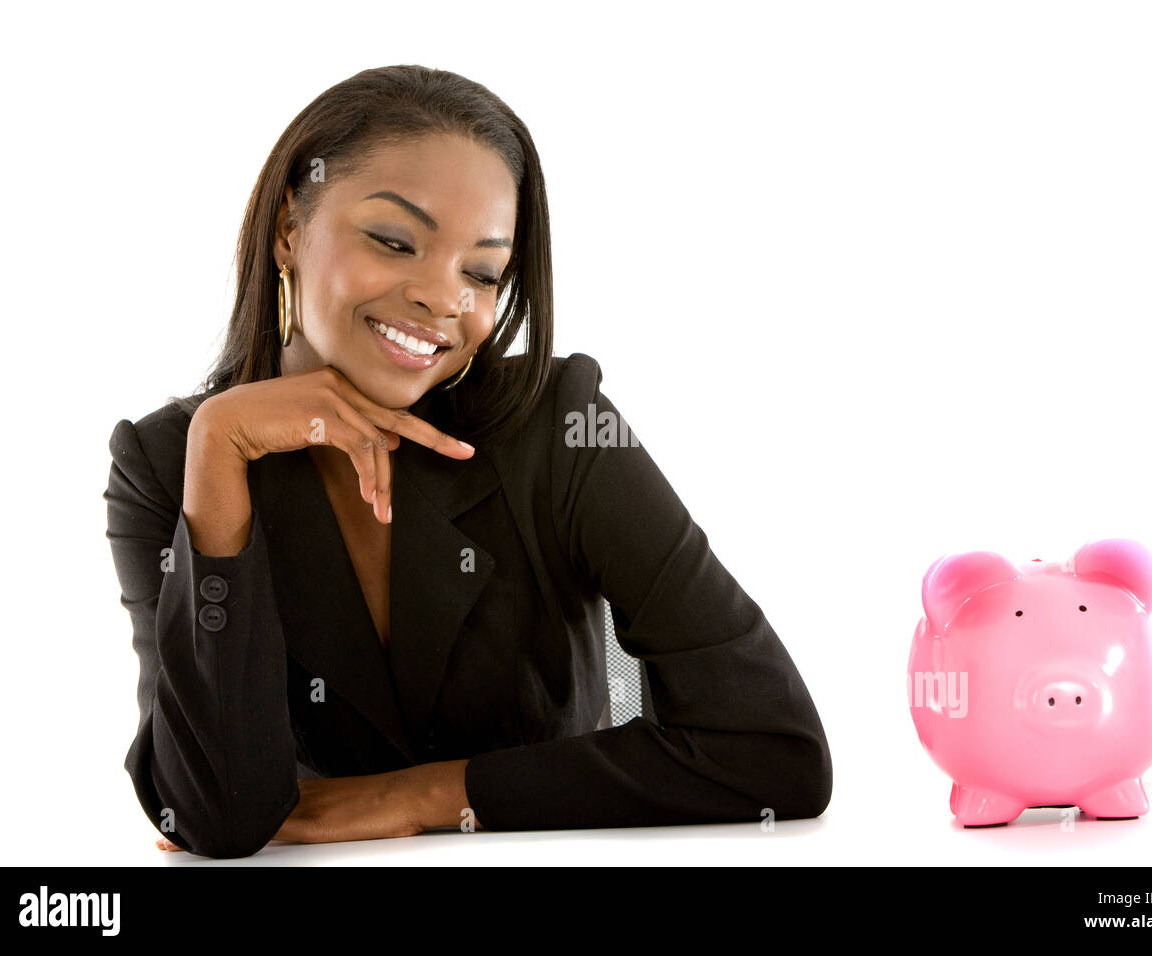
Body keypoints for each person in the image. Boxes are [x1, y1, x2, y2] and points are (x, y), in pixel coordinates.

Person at [103, 64, 831, 858]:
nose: (444, 299)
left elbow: (776, 752)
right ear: (288, 229)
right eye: (394, 241)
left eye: (481, 273)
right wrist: (219, 451)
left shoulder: (558, 425)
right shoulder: (169, 460)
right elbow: (211, 819)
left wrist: (422, 797)